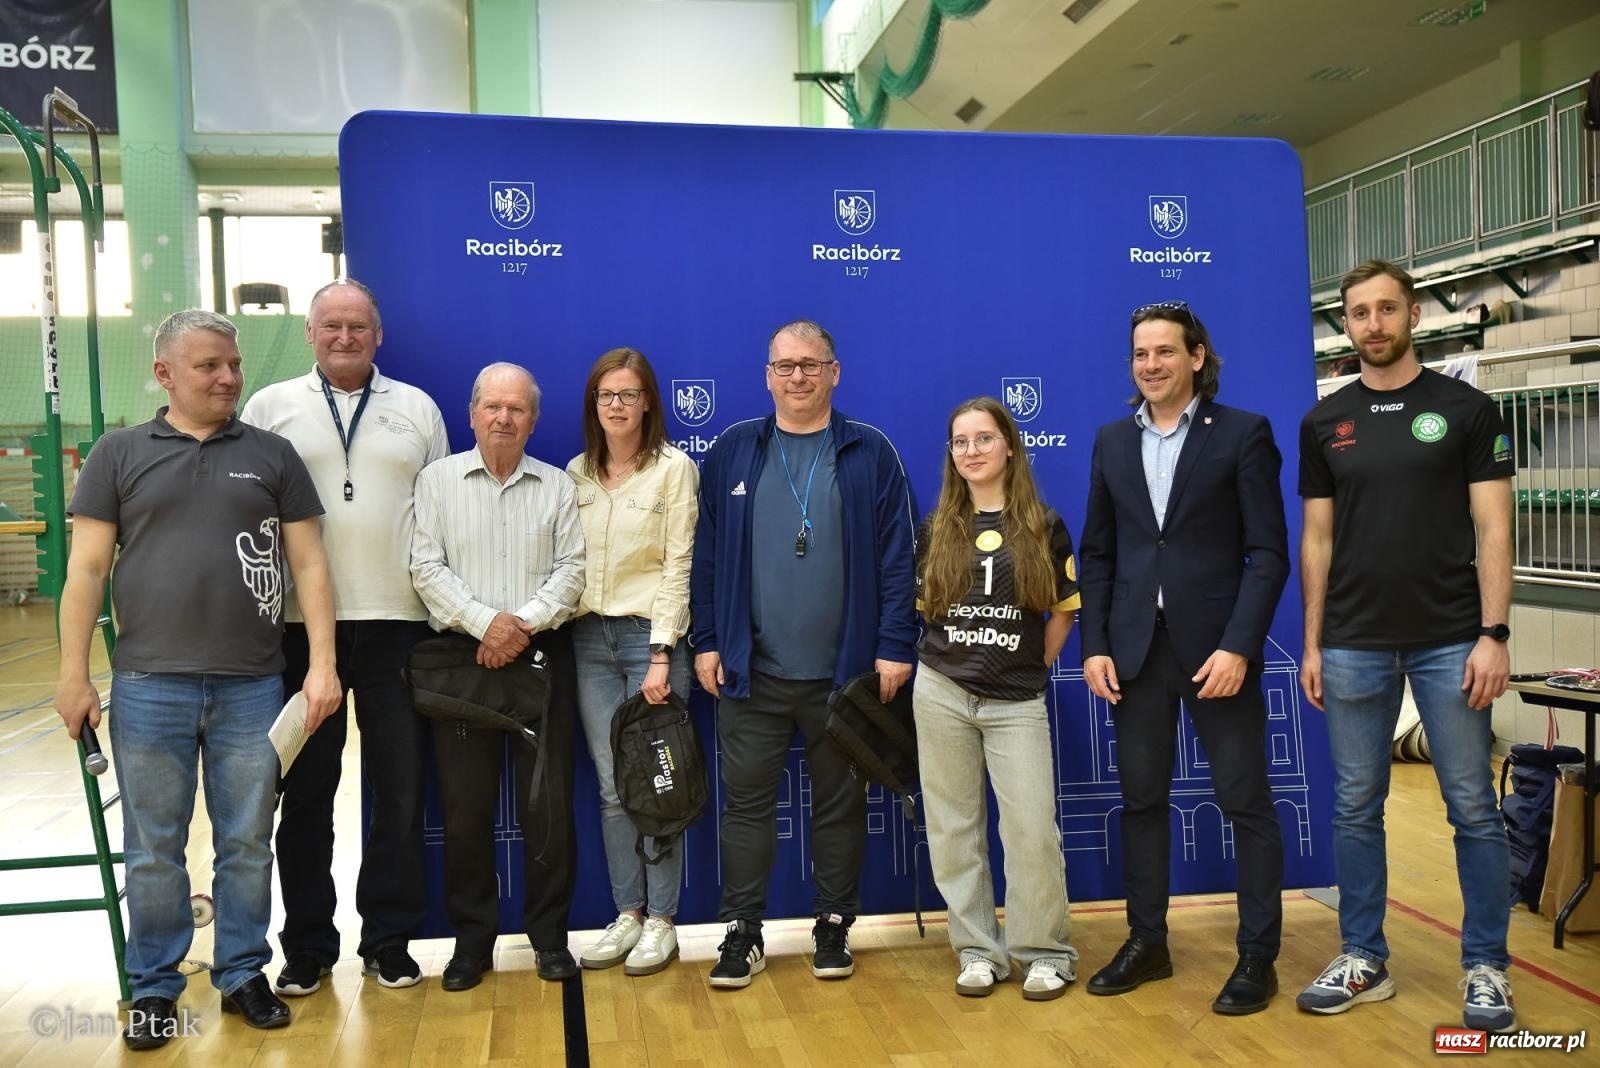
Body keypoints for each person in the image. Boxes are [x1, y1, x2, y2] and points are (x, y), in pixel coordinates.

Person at [53, 310, 343, 1049]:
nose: (228, 377)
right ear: (165, 374)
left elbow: (309, 564)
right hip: (149, 686)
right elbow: (86, 569)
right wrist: (73, 674)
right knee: (154, 846)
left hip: (253, 686)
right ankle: (155, 986)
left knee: (246, 840)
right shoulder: (118, 454)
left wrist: (321, 665)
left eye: (233, 364)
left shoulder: (273, 455)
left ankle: (242, 971)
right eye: (210, 365)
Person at [1296, 259, 1515, 1032]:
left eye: (1387, 309)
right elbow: (1316, 540)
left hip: (1453, 639)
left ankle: (1486, 966)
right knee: (1356, 807)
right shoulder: (1324, 422)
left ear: (1413, 315)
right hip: (1353, 642)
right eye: (1360, 312)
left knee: (1473, 808)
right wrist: (1313, 643)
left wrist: (1494, 634)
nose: (1374, 324)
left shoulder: (1467, 409)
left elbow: (1494, 527)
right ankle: (1363, 956)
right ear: (1346, 323)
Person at [690, 319, 917, 989]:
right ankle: (743, 931)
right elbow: (706, 558)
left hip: (845, 676)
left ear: (834, 372)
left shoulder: (870, 451)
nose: (797, 376)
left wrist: (894, 645)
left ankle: (833, 924)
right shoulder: (734, 450)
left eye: (810, 365)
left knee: (840, 807)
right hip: (750, 671)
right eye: (785, 366)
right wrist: (707, 639)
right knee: (746, 807)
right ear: (767, 376)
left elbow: (898, 559)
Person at [1078, 300, 1289, 1016]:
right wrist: (1095, 645)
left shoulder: (1243, 433)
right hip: (1135, 653)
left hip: (1217, 655)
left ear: (1197, 357)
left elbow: (1268, 553)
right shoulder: (1111, 440)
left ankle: (1257, 957)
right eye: (1141, 354)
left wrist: (1239, 646)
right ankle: (1148, 943)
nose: (1151, 365)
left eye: (1165, 351)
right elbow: (1098, 554)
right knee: (1141, 803)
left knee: (1245, 802)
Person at [239, 278, 449, 995]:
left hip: (401, 625)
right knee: (304, 795)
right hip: (301, 634)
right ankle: (306, 946)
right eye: (331, 324)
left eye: (358, 325)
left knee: (399, 791)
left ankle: (388, 940)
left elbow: (440, 514)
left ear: (378, 334)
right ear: (309, 332)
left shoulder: (417, 408)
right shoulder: (270, 407)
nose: (345, 336)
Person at [410, 362, 585, 991]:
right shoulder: (436, 481)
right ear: (472, 414)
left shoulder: (558, 485)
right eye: (492, 407)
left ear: (533, 420)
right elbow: (425, 567)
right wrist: (486, 625)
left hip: (540, 660)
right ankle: (472, 944)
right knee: (465, 813)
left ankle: (550, 939)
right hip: (464, 662)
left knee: (548, 810)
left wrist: (520, 627)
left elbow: (572, 569)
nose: (503, 418)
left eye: (516, 409)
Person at [913, 396, 1081, 1002]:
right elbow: (928, 612)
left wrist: (1026, 667)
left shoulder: (1043, 524)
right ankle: (979, 950)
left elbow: (1062, 612)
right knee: (954, 830)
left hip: (1016, 700)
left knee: (1032, 830)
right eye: (961, 442)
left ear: (1009, 446)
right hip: (942, 692)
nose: (972, 451)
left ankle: (1045, 952)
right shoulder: (937, 526)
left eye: (984, 438)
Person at [565, 348, 698, 976]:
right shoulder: (577, 473)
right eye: (606, 395)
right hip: (588, 642)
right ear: (594, 405)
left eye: (628, 394)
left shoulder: (675, 470)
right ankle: (628, 914)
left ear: (648, 402)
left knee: (659, 786)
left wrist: (662, 652)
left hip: (652, 642)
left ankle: (663, 922)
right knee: (614, 787)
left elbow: (679, 564)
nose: (616, 405)